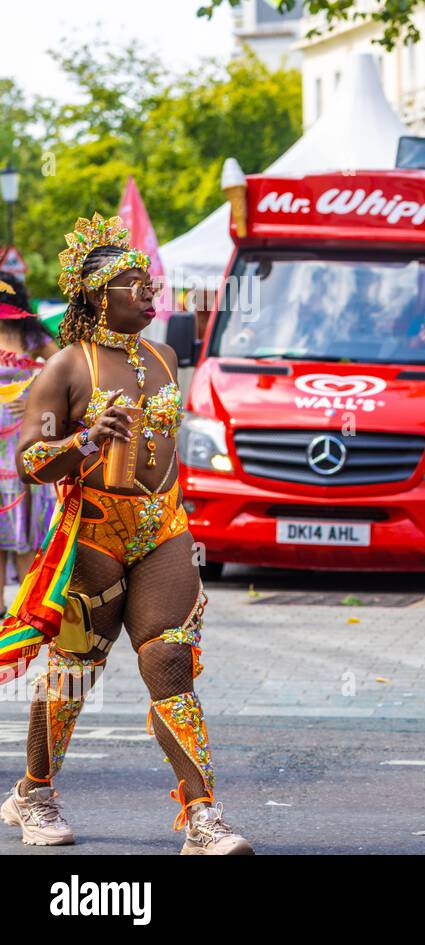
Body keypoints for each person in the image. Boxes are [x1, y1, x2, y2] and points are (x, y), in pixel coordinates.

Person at [0, 214, 252, 853]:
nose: (150, 292)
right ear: (94, 295)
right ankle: (35, 792)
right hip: (92, 538)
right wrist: (84, 440)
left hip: (162, 526)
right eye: (132, 282)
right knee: (75, 670)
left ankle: (201, 816)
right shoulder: (65, 367)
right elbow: (30, 460)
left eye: (149, 282)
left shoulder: (165, 356)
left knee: (168, 657)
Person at [0, 274, 59, 611]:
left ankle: (25, 610)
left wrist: (36, 394)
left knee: (23, 520)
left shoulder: (30, 333)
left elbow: (64, 366)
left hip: (20, 436)